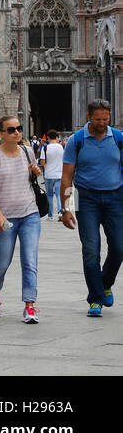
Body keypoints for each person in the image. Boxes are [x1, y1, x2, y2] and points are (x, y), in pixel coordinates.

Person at [60, 99, 123, 317]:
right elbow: (67, 177)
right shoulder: (76, 141)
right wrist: (65, 208)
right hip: (87, 199)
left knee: (119, 248)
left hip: (116, 197)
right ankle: (95, 299)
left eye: (106, 119)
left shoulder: (118, 137)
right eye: (98, 119)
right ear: (89, 117)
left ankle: (105, 283)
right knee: (90, 251)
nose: (102, 123)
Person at [0, 115, 43, 324]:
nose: (17, 132)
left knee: (30, 260)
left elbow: (32, 176)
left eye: (19, 128)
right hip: (5, 216)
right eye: (11, 130)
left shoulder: (27, 151)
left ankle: (30, 305)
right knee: (3, 262)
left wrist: (35, 171)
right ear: (0, 133)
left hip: (30, 213)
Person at [41, 130, 64, 220]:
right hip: (59, 173)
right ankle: (60, 212)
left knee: (49, 195)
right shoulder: (61, 147)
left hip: (49, 174)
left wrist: (47, 169)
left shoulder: (45, 148)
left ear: (48, 138)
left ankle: (50, 215)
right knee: (59, 194)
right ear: (57, 137)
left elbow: (42, 162)